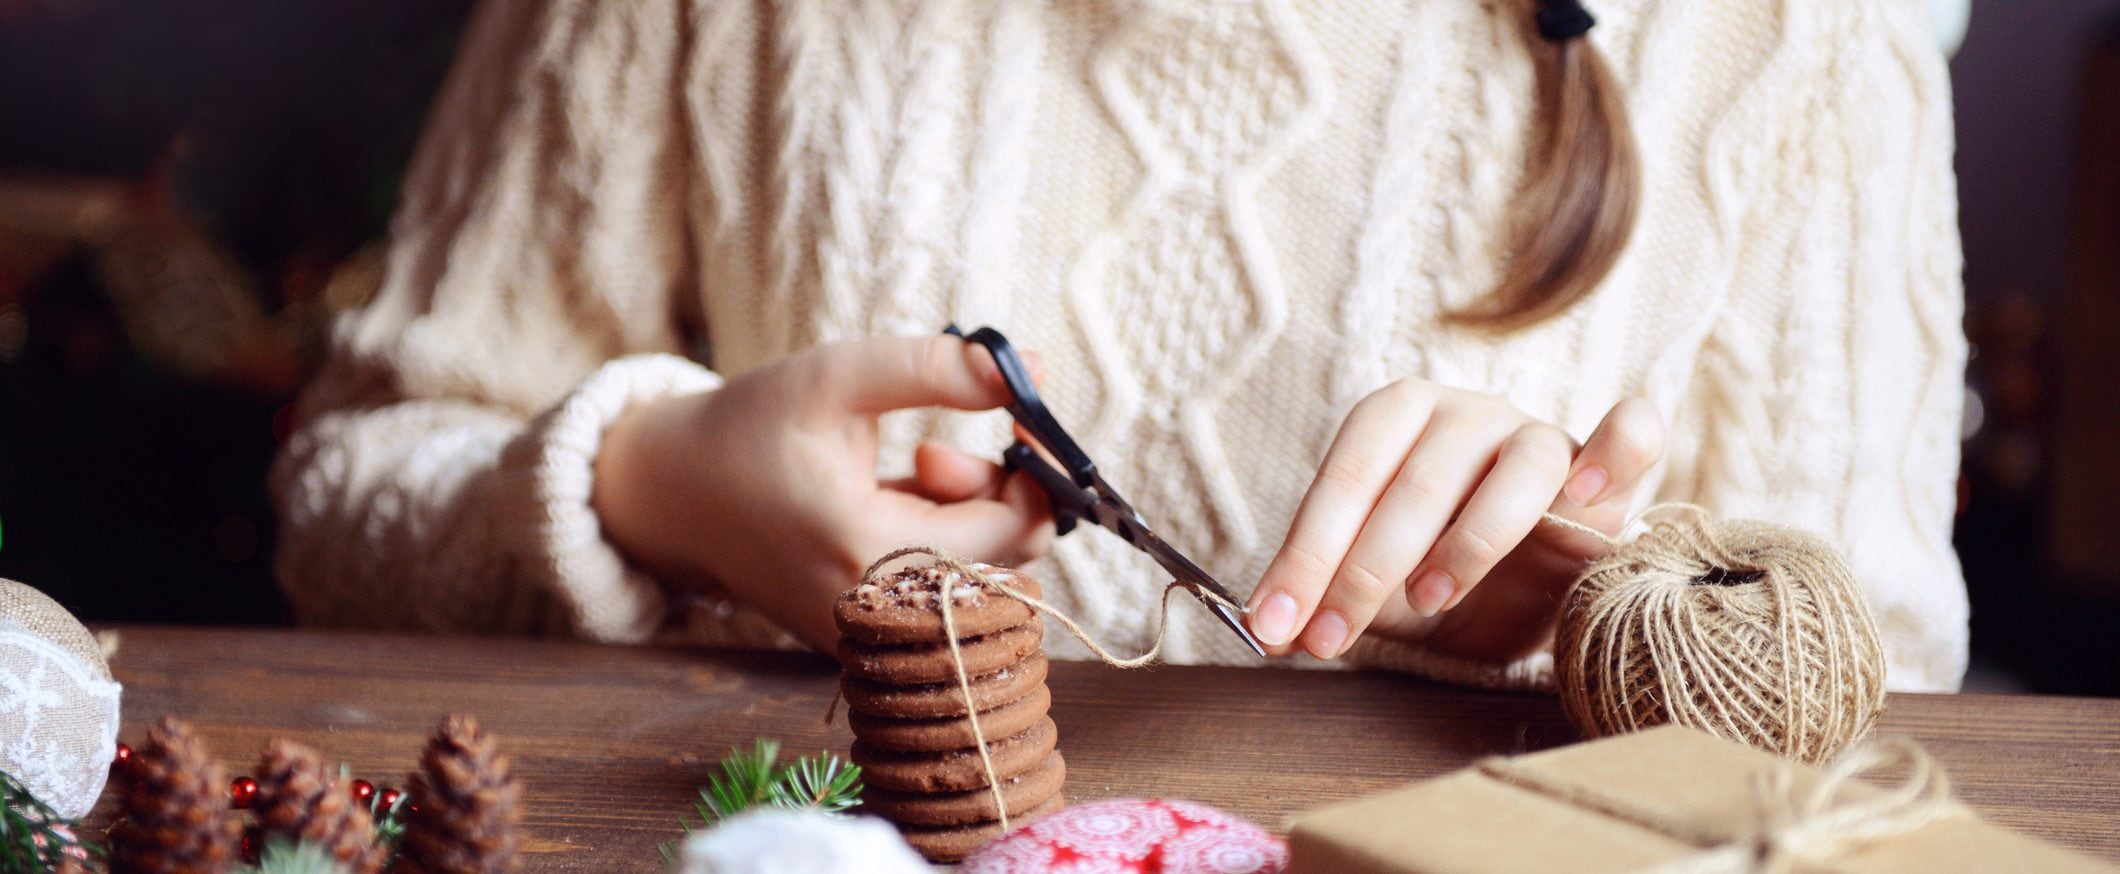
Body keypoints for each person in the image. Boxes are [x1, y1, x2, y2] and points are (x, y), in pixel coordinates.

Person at [272, 0, 1968, 692]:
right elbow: (347, 486)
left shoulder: (1798, 38)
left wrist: (1615, 608)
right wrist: (647, 485)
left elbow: (1889, 682)